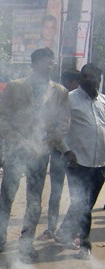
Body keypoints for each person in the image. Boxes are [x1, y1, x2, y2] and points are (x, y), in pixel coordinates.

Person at [0, 48, 70, 262]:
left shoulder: (59, 91)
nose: (49, 66)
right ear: (33, 64)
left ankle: (26, 243)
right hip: (16, 150)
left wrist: (49, 142)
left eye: (51, 62)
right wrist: (17, 140)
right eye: (44, 62)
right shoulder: (15, 87)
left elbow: (64, 122)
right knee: (7, 196)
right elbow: (2, 117)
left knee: (34, 199)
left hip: (41, 152)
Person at [55, 64, 105, 259]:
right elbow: (58, 130)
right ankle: (85, 244)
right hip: (78, 161)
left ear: (99, 79)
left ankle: (63, 232)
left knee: (85, 204)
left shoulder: (103, 101)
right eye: (84, 76)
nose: (88, 80)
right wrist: (67, 151)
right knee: (83, 204)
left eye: (92, 77)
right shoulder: (69, 100)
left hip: (100, 162)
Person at [37, 70, 80, 241]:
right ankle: (51, 228)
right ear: (70, 82)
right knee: (56, 191)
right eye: (75, 81)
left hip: (75, 154)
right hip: (60, 151)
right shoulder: (58, 100)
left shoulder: (79, 101)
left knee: (75, 192)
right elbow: (51, 128)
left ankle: (71, 230)